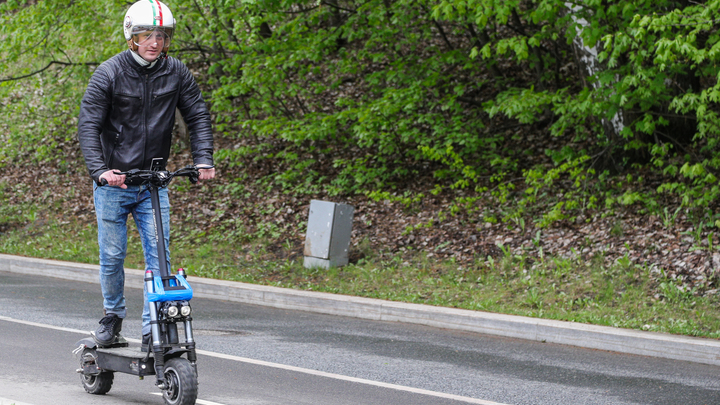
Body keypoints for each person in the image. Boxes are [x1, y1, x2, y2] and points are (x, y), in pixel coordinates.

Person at [77, 0, 215, 349]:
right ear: (132, 37)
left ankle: (152, 328)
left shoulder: (177, 72)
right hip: (115, 183)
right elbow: (88, 126)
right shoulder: (109, 73)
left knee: (160, 257)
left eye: (161, 35)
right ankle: (112, 317)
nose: (154, 41)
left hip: (154, 182)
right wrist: (100, 171)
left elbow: (197, 115)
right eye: (146, 35)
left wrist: (203, 159)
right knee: (112, 256)